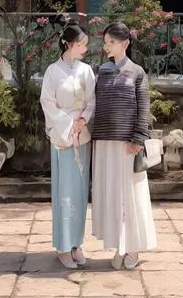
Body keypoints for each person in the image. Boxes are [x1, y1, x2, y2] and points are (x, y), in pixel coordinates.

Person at [91, 21, 157, 269]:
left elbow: (144, 108)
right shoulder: (102, 70)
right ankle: (118, 246)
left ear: (126, 44)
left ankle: (133, 248)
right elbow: (93, 105)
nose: (107, 47)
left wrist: (139, 138)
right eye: (106, 43)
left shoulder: (137, 72)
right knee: (111, 195)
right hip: (104, 143)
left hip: (128, 144)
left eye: (112, 43)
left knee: (130, 196)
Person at [39, 21, 96, 269]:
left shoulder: (86, 71)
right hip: (64, 137)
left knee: (81, 192)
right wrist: (68, 124)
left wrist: (81, 121)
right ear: (68, 44)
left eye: (85, 45)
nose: (84, 48)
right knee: (65, 192)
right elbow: (47, 102)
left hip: (81, 135)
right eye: (81, 44)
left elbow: (92, 99)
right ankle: (63, 246)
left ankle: (77, 243)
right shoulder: (53, 71)